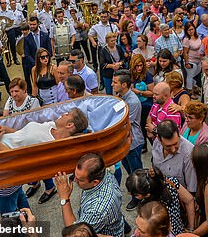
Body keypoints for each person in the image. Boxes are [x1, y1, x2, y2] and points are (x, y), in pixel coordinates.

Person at [55, 153, 124, 237]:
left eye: (80, 180)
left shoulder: (96, 210)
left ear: (95, 182)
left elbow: (73, 231)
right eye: (75, 175)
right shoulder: (102, 172)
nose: (74, 180)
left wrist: (64, 198)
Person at [0, 108, 89, 153]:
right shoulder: (51, 125)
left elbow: (16, 159)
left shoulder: (49, 143)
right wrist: (5, 129)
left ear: (69, 125)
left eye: (66, 115)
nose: (62, 115)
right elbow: (21, 136)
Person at [126, 168, 195, 235]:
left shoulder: (148, 210)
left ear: (147, 195)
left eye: (136, 195)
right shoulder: (171, 182)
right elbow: (189, 200)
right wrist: (191, 229)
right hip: (179, 229)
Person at [112, 70, 144, 210]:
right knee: (128, 168)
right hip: (124, 142)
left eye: (115, 82)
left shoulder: (132, 101)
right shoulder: (120, 96)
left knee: (136, 173)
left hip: (133, 141)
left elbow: (124, 123)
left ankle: (139, 196)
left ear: (124, 84)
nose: (112, 84)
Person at [152, 119, 197, 194]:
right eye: (168, 146)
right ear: (159, 139)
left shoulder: (189, 154)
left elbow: (192, 188)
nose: (173, 150)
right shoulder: (156, 143)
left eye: (175, 144)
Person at [23, 16, 53, 93]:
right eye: (31, 24)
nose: (32, 26)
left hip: (46, 64)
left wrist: (45, 61)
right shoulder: (27, 38)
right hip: (34, 65)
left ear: (38, 24)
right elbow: (27, 54)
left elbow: (49, 50)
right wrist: (35, 63)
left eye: (34, 24)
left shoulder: (45, 35)